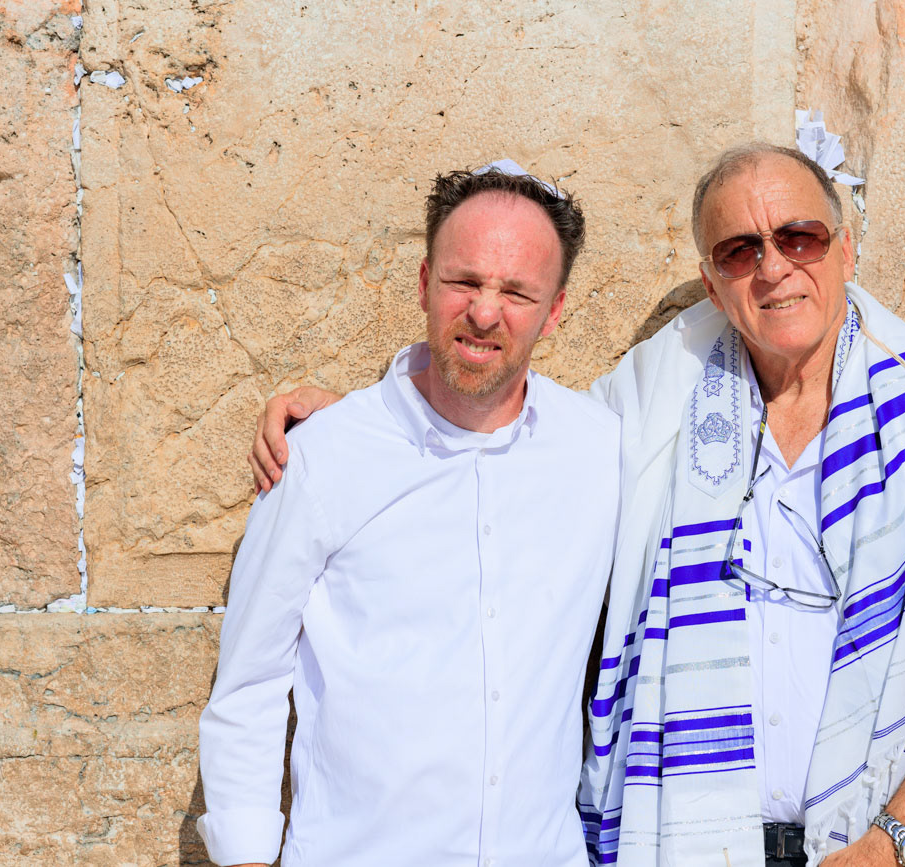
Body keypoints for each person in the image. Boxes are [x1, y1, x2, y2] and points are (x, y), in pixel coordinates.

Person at [251, 144, 905, 867]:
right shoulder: (653, 394)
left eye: (799, 236)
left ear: (846, 248)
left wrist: (893, 839)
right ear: (712, 282)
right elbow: (512, 432)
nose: (773, 267)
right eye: (739, 249)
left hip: (862, 848)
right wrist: (370, 417)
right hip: (679, 841)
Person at [197, 163, 621, 867]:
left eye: (516, 292)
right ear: (425, 283)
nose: (484, 312)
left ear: (554, 311)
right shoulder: (323, 456)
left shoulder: (601, 449)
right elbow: (250, 683)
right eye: (464, 282)